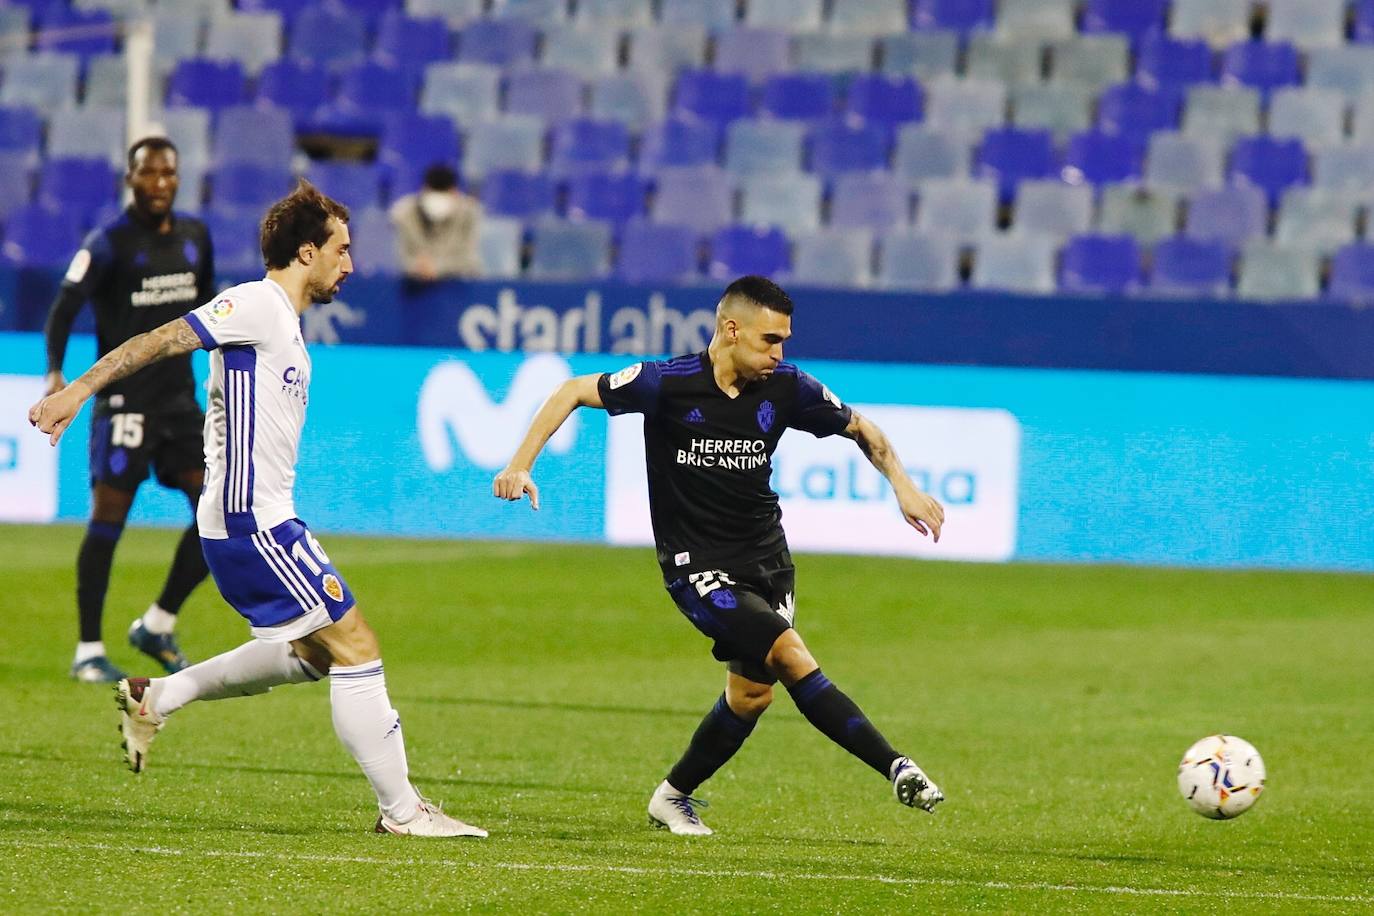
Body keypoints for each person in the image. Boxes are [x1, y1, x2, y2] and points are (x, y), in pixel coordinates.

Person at [30, 181, 486, 839]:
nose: (350, 264)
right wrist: (78, 389)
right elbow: (154, 341)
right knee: (356, 644)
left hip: (253, 518)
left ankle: (158, 696)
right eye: (342, 249)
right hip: (252, 521)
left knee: (314, 653)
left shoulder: (284, 323)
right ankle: (404, 811)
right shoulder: (256, 305)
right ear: (306, 252)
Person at [493, 275, 946, 836]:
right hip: (697, 565)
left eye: (784, 341)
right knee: (790, 655)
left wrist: (903, 485)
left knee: (752, 696)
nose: (779, 354)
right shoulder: (667, 382)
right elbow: (570, 390)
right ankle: (897, 767)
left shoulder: (789, 388)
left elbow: (862, 428)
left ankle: (671, 796)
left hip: (767, 560)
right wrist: (520, 464)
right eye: (769, 340)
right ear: (731, 330)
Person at [43, 135, 215, 683]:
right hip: (124, 404)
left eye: (168, 173)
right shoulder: (108, 242)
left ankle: (158, 622)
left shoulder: (195, 237)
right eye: (148, 173)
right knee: (108, 520)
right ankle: (87, 649)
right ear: (130, 179)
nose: (160, 183)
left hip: (180, 404)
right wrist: (55, 372)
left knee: (219, 513)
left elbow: (210, 315)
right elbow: (64, 307)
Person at [388, 162, 482, 281]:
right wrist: (417, 267)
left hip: (458, 285)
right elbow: (401, 255)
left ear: (454, 192)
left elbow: (469, 257)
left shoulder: (469, 214)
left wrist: (437, 268)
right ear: (424, 189)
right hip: (413, 285)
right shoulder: (404, 213)